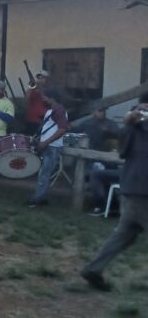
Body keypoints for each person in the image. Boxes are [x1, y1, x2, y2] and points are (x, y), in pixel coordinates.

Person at [80, 92, 148, 292]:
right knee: (125, 232)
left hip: (130, 188)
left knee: (125, 233)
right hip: (143, 191)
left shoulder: (131, 126)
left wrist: (130, 123)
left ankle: (94, 269)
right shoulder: (134, 126)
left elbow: (122, 152)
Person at [72, 108, 122, 214]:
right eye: (100, 110)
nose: (103, 113)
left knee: (102, 176)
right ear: (93, 112)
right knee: (85, 173)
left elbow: (120, 135)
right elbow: (76, 131)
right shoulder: (87, 123)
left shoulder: (110, 123)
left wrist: (109, 132)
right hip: (89, 158)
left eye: (104, 111)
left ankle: (107, 205)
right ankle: (95, 204)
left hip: (107, 160)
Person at [27, 88, 69, 207]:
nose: (43, 99)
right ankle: (42, 197)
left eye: (45, 97)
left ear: (51, 98)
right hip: (49, 145)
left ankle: (37, 199)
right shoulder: (53, 110)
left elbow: (62, 129)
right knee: (44, 173)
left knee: (44, 173)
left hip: (52, 146)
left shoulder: (59, 110)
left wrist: (45, 142)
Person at [24, 70, 49, 135]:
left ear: (47, 79)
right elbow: (26, 100)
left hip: (43, 120)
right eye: (39, 78)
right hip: (31, 119)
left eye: (42, 78)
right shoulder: (32, 89)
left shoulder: (49, 90)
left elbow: (47, 101)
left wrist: (40, 91)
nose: (40, 80)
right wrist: (31, 88)